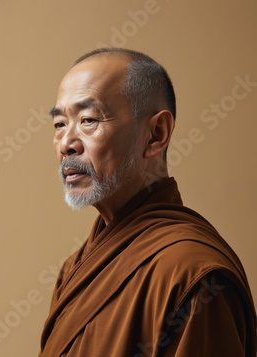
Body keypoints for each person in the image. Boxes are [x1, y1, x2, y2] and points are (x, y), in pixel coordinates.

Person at [39, 48, 256, 357]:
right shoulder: (75, 269)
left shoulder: (192, 275)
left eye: (88, 120)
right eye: (60, 124)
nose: (65, 144)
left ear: (156, 134)